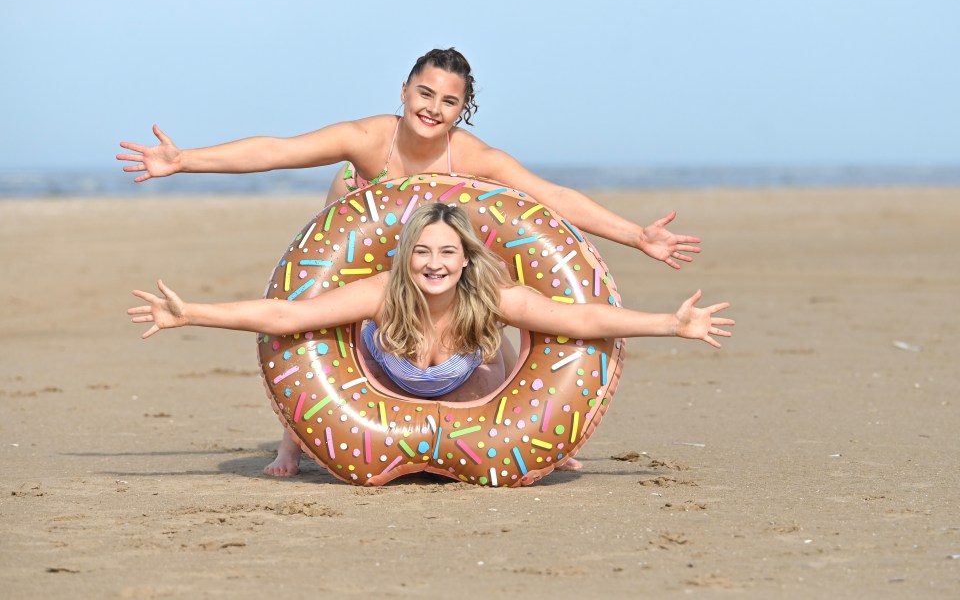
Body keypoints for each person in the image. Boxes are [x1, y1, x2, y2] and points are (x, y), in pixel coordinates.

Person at [117, 47, 704, 476]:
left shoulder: (472, 157)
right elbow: (277, 150)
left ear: (462, 111)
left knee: (488, 302)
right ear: (405, 90)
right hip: (369, 239)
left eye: (449, 102)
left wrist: (637, 237)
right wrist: (184, 160)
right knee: (317, 297)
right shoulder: (370, 139)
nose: (433, 107)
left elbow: (554, 199)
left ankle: (542, 430)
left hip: (444, 258)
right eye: (425, 94)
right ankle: (294, 437)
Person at [129, 204, 735, 479]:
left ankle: (550, 445)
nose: (434, 263)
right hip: (379, 373)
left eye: (447, 251)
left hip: (462, 383)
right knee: (316, 348)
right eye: (422, 251)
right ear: (407, 257)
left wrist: (670, 324)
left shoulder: (490, 296)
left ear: (466, 258)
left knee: (494, 369)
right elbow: (288, 318)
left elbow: (575, 321)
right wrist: (194, 314)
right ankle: (290, 445)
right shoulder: (383, 293)